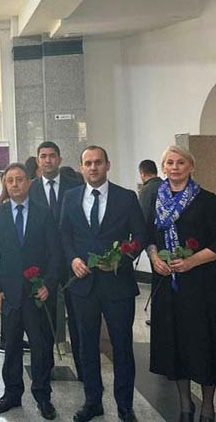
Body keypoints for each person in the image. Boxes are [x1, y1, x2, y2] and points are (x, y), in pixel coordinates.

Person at [60, 146, 147, 422]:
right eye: (88, 163)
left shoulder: (126, 197)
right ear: (81, 167)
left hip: (117, 284)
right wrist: (73, 259)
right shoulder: (71, 197)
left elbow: (140, 235)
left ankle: (125, 405)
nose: (93, 167)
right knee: (86, 346)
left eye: (98, 162)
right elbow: (64, 234)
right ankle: (92, 401)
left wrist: (123, 258)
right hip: (83, 284)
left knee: (121, 346)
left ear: (107, 165)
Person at [145, 146, 216, 422]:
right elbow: (148, 236)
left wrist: (191, 261)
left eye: (181, 162)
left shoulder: (207, 200)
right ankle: (186, 405)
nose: (175, 167)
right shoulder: (156, 200)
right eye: (170, 163)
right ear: (163, 167)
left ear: (191, 167)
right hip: (167, 285)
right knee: (175, 344)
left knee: (203, 343)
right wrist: (154, 257)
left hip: (200, 286)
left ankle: (207, 406)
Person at [0, 163, 60, 420]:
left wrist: (48, 284)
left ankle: (43, 396)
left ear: (29, 182)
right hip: (9, 294)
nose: (15, 184)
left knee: (40, 348)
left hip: (37, 294)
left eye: (19, 179)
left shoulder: (44, 213)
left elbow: (55, 254)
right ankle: (12, 394)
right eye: (10, 180)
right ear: (5, 184)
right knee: (12, 347)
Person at [29, 141, 83, 380]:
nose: (48, 160)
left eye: (52, 156)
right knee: (45, 318)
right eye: (43, 156)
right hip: (44, 264)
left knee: (78, 318)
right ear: (38, 161)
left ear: (59, 159)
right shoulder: (30, 188)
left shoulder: (76, 186)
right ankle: (46, 367)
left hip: (72, 261)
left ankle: (84, 370)